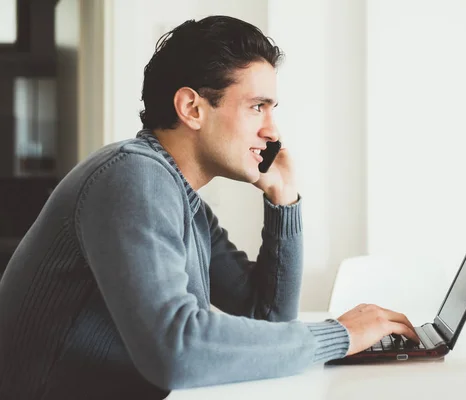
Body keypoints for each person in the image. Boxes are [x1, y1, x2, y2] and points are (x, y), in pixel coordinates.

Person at [0, 15, 419, 400]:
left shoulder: (180, 197)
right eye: (257, 106)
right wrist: (339, 335)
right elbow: (177, 350)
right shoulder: (131, 176)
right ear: (192, 108)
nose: (272, 131)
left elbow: (269, 318)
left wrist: (283, 199)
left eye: (272, 110)